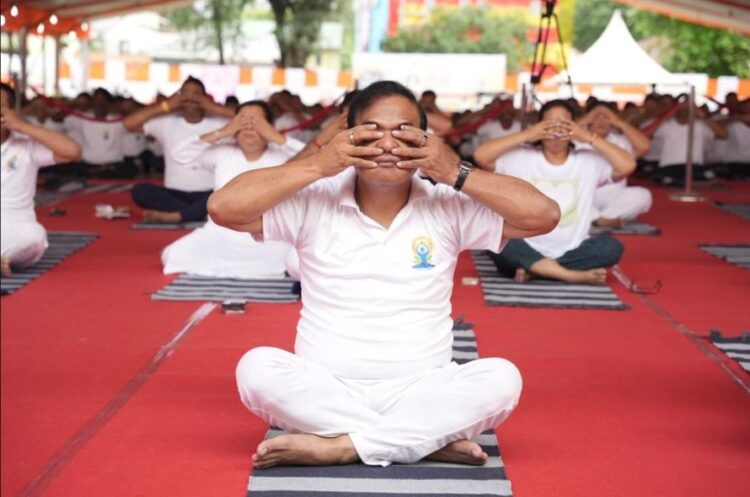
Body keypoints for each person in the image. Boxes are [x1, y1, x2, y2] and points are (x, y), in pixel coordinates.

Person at [208, 81, 559, 469]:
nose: (389, 144)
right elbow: (224, 207)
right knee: (256, 369)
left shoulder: (447, 204)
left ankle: (342, 445)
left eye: (404, 132)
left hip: (424, 389)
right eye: (373, 132)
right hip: (325, 386)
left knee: (502, 379)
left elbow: (543, 216)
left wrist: (451, 170)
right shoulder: (314, 198)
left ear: (425, 140)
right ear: (348, 138)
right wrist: (318, 164)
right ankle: (422, 439)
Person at [474, 99, 636, 285]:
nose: (557, 130)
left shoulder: (588, 160)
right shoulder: (520, 155)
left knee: (611, 248)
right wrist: (528, 134)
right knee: (495, 236)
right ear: (539, 126)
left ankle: (536, 270)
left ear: (575, 127)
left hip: (572, 249)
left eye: (565, 124)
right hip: (525, 244)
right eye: (550, 123)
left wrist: (587, 136)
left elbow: (628, 165)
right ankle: (567, 275)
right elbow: (481, 156)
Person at [162, 101, 304, 279]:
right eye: (242, 120)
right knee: (171, 255)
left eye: (257, 121)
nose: (249, 126)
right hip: (221, 236)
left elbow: (315, 159)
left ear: (269, 126)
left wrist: (276, 137)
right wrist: (223, 131)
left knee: (296, 262)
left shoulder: (284, 154)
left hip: (271, 238)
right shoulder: (223, 152)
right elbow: (179, 155)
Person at [123, 76, 233, 224]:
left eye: (196, 94)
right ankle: (198, 213)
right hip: (174, 194)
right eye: (185, 93)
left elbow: (253, 118)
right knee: (140, 191)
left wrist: (212, 107)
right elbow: (129, 124)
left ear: (205, 98)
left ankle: (177, 215)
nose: (190, 98)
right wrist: (166, 105)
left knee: (227, 194)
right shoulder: (167, 121)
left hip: (209, 192)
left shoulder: (219, 122)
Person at [1, 83, 82, 277]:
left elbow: (73, 152)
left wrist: (21, 125)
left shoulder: (26, 147)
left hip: (13, 224)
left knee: (34, 237)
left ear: (11, 112)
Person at [577, 101, 652, 227]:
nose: (601, 121)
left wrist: (619, 122)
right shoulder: (574, 139)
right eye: (596, 116)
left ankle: (600, 219)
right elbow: (555, 136)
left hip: (612, 196)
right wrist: (584, 120)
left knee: (642, 195)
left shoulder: (620, 140)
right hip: (580, 194)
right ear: (587, 118)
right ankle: (597, 219)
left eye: (606, 117)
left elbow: (645, 147)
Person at [648, 100, 728, 186]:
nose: (684, 113)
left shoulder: (700, 125)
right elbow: (646, 134)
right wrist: (667, 115)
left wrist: (703, 115)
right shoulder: (666, 125)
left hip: (694, 168)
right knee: (657, 175)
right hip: (670, 168)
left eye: (687, 110)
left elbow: (723, 135)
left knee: (722, 169)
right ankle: (699, 184)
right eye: (682, 110)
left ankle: (681, 183)